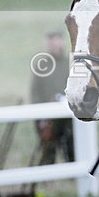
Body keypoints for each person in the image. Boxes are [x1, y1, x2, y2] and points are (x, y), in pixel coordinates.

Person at [30, 31, 74, 164]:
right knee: (48, 151)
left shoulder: (70, 63)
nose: (54, 46)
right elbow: (35, 93)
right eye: (51, 43)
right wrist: (40, 117)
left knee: (72, 148)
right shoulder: (42, 65)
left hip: (68, 116)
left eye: (57, 42)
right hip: (47, 118)